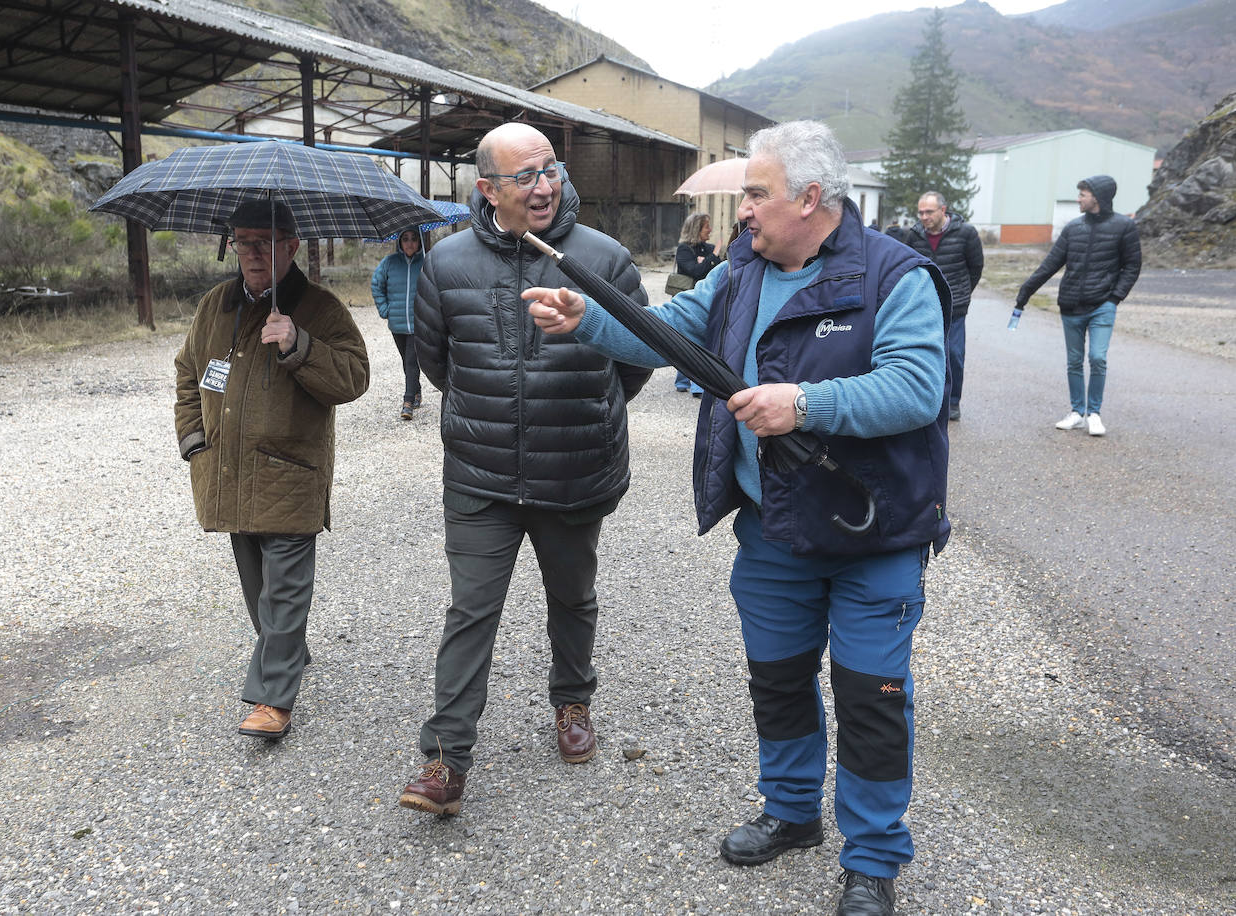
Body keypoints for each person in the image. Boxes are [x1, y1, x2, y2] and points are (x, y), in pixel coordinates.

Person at [525, 120, 951, 916]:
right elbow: (671, 335)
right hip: (774, 532)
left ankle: (874, 859)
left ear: (810, 198)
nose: (743, 211)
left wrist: (805, 404)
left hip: (875, 537)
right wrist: (584, 317)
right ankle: (792, 815)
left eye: (756, 194)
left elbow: (916, 390)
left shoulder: (900, 276)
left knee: (871, 697)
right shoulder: (742, 272)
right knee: (779, 683)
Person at [397, 121, 651, 817]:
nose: (544, 188)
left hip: (574, 470)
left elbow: (636, 361)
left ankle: (573, 701)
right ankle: (445, 762)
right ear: (487, 190)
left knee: (572, 598)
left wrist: (588, 414)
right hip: (481, 478)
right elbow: (437, 361)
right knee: (470, 611)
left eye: (551, 171)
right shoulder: (445, 265)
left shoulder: (604, 258)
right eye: (525, 177)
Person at [173, 200, 370, 739]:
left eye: (265, 242)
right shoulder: (216, 304)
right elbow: (188, 369)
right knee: (257, 586)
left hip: (290, 474)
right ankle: (287, 648)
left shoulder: (321, 309)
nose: (252, 253)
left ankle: (272, 698)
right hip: (228, 474)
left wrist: (297, 344)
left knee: (283, 589)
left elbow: (354, 379)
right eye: (243, 241)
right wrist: (194, 440)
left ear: (291, 246)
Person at [1016, 175, 1141, 436]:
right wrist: (1025, 292)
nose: (1078, 199)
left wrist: (1115, 297)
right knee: (1074, 361)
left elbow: (1132, 265)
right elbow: (1050, 264)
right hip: (1070, 305)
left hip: (1103, 304)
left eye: (1082, 194)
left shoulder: (1124, 227)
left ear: (1097, 196)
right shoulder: (1073, 228)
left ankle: (1094, 413)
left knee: (1097, 357)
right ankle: (1077, 412)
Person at [904, 191, 983, 421]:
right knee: (923, 354)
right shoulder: (915, 235)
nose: (924, 217)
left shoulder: (966, 233)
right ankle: (927, 399)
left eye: (929, 211)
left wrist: (962, 293)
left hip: (955, 306)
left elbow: (975, 268)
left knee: (954, 355)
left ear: (943, 210)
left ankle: (953, 402)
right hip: (924, 306)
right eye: (920, 212)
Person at [371, 228, 426, 420]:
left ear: (420, 241)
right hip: (397, 324)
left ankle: (408, 401)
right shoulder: (389, 262)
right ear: (399, 242)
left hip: (418, 323)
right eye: (405, 239)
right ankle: (417, 390)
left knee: (412, 361)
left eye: (413, 239)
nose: (410, 243)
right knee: (406, 361)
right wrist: (385, 309)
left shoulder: (426, 262)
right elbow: (376, 284)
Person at [673, 212, 723, 395]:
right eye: (706, 226)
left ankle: (695, 384)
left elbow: (714, 269)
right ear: (696, 229)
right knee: (685, 338)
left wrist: (707, 260)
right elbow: (696, 271)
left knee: (699, 339)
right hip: (688, 300)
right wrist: (714, 255)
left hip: (704, 300)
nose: (710, 230)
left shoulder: (705, 248)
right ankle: (684, 381)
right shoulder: (684, 249)